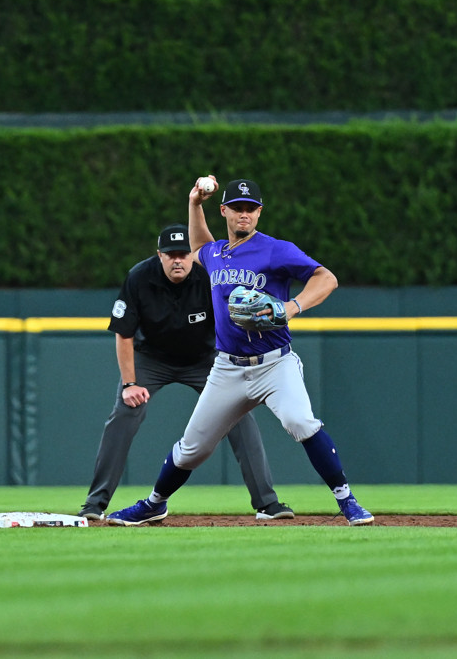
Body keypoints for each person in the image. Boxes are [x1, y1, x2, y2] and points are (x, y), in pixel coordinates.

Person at [107, 177, 374, 526]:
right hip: (227, 369)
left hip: (275, 364)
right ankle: (155, 503)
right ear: (225, 212)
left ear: (259, 212)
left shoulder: (275, 249)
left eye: (250, 209)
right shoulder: (215, 253)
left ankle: (346, 500)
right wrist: (194, 203)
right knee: (193, 449)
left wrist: (290, 307)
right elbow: (200, 244)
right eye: (237, 208)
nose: (244, 214)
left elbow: (326, 278)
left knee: (300, 421)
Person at [78, 223, 294, 522]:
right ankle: (95, 504)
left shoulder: (209, 276)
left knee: (239, 417)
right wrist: (130, 383)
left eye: (184, 253)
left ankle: (268, 504)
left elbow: (232, 320)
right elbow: (124, 333)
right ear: (160, 255)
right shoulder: (140, 277)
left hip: (203, 359)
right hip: (151, 359)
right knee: (125, 414)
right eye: (171, 254)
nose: (178, 259)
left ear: (193, 255)